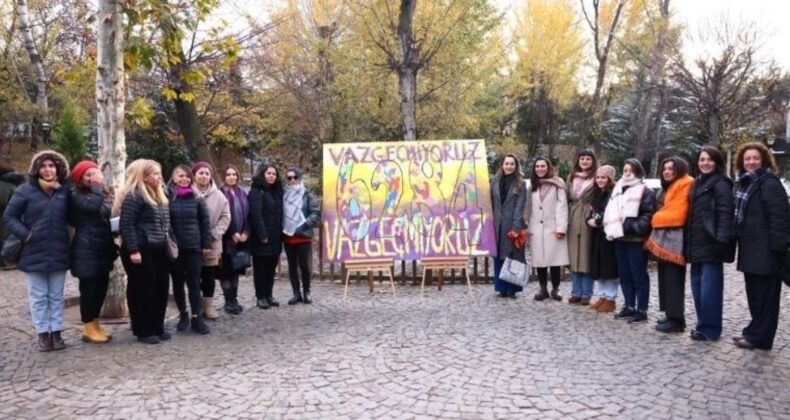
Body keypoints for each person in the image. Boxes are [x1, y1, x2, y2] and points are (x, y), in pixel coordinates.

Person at [3, 151, 71, 351]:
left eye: (51, 166)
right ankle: (43, 334)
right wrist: (26, 235)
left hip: (59, 250)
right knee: (39, 296)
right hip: (33, 251)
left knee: (56, 296)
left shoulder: (64, 191)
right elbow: (10, 216)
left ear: (58, 168)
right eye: (43, 166)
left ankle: (56, 333)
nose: (48, 170)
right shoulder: (25, 191)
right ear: (37, 169)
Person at [732, 142, 790, 350]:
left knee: (766, 299)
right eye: (747, 158)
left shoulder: (770, 183)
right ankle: (753, 331)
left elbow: (780, 218)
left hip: (767, 252)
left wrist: (778, 250)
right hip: (751, 251)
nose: (751, 162)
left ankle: (761, 339)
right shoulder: (746, 183)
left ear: (764, 160)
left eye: (755, 158)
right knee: (755, 296)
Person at [114, 159, 172, 344]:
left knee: (161, 288)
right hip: (140, 249)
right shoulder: (134, 195)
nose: (159, 177)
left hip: (159, 248)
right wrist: (133, 249)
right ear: (144, 177)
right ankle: (143, 329)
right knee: (143, 289)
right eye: (155, 173)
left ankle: (157, 326)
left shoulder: (160, 194)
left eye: (159, 173)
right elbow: (127, 224)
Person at [685, 146, 735, 342]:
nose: (705, 163)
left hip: (712, 244)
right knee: (698, 288)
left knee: (710, 290)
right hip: (696, 244)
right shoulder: (697, 183)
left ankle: (711, 329)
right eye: (702, 159)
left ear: (717, 162)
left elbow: (725, 214)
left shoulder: (721, 184)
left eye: (709, 159)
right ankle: (702, 325)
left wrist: (721, 242)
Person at [68, 160, 117, 343]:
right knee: (89, 290)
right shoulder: (76, 195)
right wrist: (97, 186)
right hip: (86, 250)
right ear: (80, 179)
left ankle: (96, 323)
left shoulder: (101, 194)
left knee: (100, 289)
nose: (92, 178)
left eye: (94, 174)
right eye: (87, 175)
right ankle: (88, 327)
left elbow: (105, 212)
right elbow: (91, 207)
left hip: (102, 247)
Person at [603, 159, 656, 324]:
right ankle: (629, 305)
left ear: (638, 172)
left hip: (635, 239)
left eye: (630, 170)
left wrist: (632, 226)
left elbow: (648, 215)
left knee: (638, 275)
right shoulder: (618, 189)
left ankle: (641, 309)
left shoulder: (645, 191)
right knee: (625, 275)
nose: (626, 173)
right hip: (619, 237)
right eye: (625, 170)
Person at [644, 157, 693, 333]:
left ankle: (677, 320)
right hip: (663, 235)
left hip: (675, 237)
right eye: (664, 169)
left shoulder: (686, 183)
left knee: (674, 278)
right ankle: (670, 315)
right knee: (665, 277)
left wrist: (655, 219)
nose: (667, 171)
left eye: (671, 168)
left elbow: (677, 213)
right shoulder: (669, 186)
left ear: (679, 169)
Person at [167, 165, 212, 335]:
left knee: (194, 283)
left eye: (187, 176)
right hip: (175, 248)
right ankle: (183, 314)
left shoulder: (197, 198)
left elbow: (204, 223)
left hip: (194, 247)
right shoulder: (167, 198)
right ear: (174, 178)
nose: (184, 179)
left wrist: (206, 245)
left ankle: (196, 317)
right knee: (177, 283)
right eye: (181, 176)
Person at [526, 157, 569, 301]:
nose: (540, 169)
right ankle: (542, 288)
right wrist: (526, 225)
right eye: (537, 166)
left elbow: (562, 206)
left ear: (548, 167)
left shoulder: (558, 183)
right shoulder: (532, 184)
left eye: (542, 166)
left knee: (554, 260)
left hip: (553, 225)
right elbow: (528, 207)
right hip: (536, 226)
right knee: (540, 260)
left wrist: (561, 228)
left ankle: (556, 289)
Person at [192, 161, 230, 319]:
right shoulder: (187, 192)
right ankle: (196, 306)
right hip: (191, 242)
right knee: (194, 275)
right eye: (201, 173)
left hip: (212, 242)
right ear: (194, 174)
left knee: (208, 274)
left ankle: (208, 306)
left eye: (207, 173)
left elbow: (226, 216)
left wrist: (215, 233)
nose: (204, 176)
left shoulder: (218, 195)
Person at [490, 154, 527, 298]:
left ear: (516, 166)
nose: (509, 166)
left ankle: (513, 289)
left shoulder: (520, 183)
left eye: (512, 164)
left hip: (512, 223)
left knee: (512, 257)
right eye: (507, 163)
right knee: (498, 256)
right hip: (497, 224)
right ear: (502, 165)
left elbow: (520, 206)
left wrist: (516, 227)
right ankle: (501, 288)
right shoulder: (495, 181)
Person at [248, 164, 284, 309]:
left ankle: (269, 295)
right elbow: (256, 215)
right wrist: (262, 234)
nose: (271, 176)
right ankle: (261, 296)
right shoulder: (256, 191)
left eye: (274, 174)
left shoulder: (277, 192)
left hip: (275, 237)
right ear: (263, 174)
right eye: (269, 173)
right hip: (261, 238)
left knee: (271, 269)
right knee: (261, 269)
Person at [283, 168, 320, 305]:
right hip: (288, 236)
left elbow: (315, 212)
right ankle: (296, 293)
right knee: (292, 266)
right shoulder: (284, 195)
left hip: (303, 236)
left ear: (299, 177)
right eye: (289, 178)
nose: (292, 180)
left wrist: (304, 224)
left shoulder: (307, 194)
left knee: (304, 265)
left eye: (295, 177)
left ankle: (307, 292)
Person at [587, 165, 619, 313]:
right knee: (599, 266)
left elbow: (612, 214)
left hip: (608, 235)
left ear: (609, 179)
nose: (600, 180)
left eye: (603, 177)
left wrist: (599, 223)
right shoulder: (597, 193)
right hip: (596, 235)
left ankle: (611, 298)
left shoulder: (613, 194)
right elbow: (591, 211)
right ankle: (603, 295)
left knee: (609, 268)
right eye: (598, 177)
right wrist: (588, 220)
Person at [567, 150, 598, 305]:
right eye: (582, 158)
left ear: (593, 161)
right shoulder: (571, 177)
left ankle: (586, 293)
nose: (585, 161)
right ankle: (576, 291)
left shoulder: (596, 178)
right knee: (574, 256)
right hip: (573, 217)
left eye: (588, 159)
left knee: (585, 256)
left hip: (587, 217)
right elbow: (566, 198)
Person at [218, 164, 250, 314]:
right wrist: (232, 233)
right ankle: (228, 301)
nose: (231, 177)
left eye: (234, 174)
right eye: (228, 174)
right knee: (226, 272)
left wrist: (245, 233)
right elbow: (219, 216)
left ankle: (234, 299)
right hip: (225, 240)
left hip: (241, 239)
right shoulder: (219, 193)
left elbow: (249, 215)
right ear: (224, 177)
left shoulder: (242, 193)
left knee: (236, 270)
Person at [0, 163, 25, 269]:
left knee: (4, 238)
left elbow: (1, 201)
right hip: (17, 215)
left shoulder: (3, 184)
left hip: (4, 216)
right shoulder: (18, 182)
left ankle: (5, 261)